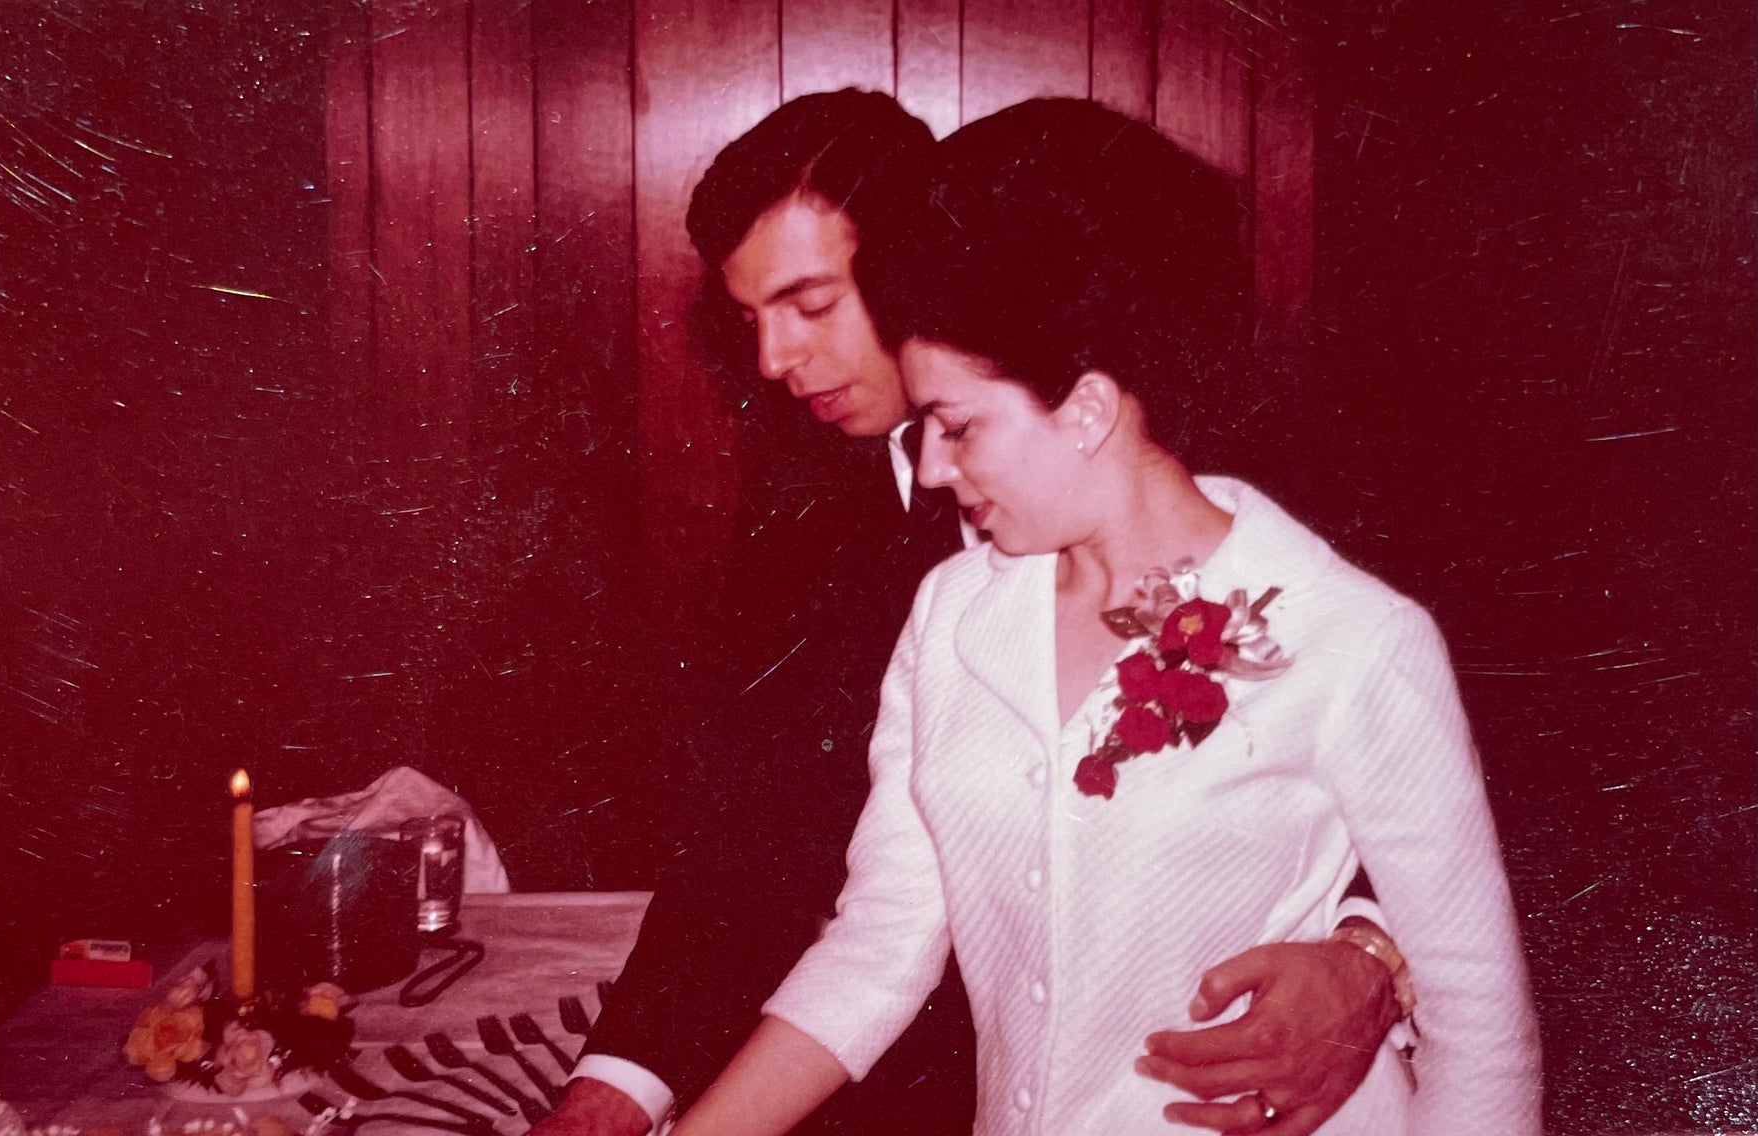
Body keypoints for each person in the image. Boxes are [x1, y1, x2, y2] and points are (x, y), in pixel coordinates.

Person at [537, 90, 1408, 1136]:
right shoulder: (808, 494)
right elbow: (753, 841)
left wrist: (1369, 956)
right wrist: (614, 1094)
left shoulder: (1216, 470)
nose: (772, 361)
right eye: (749, 319)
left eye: (811, 305)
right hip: (910, 1068)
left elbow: (1471, 774)